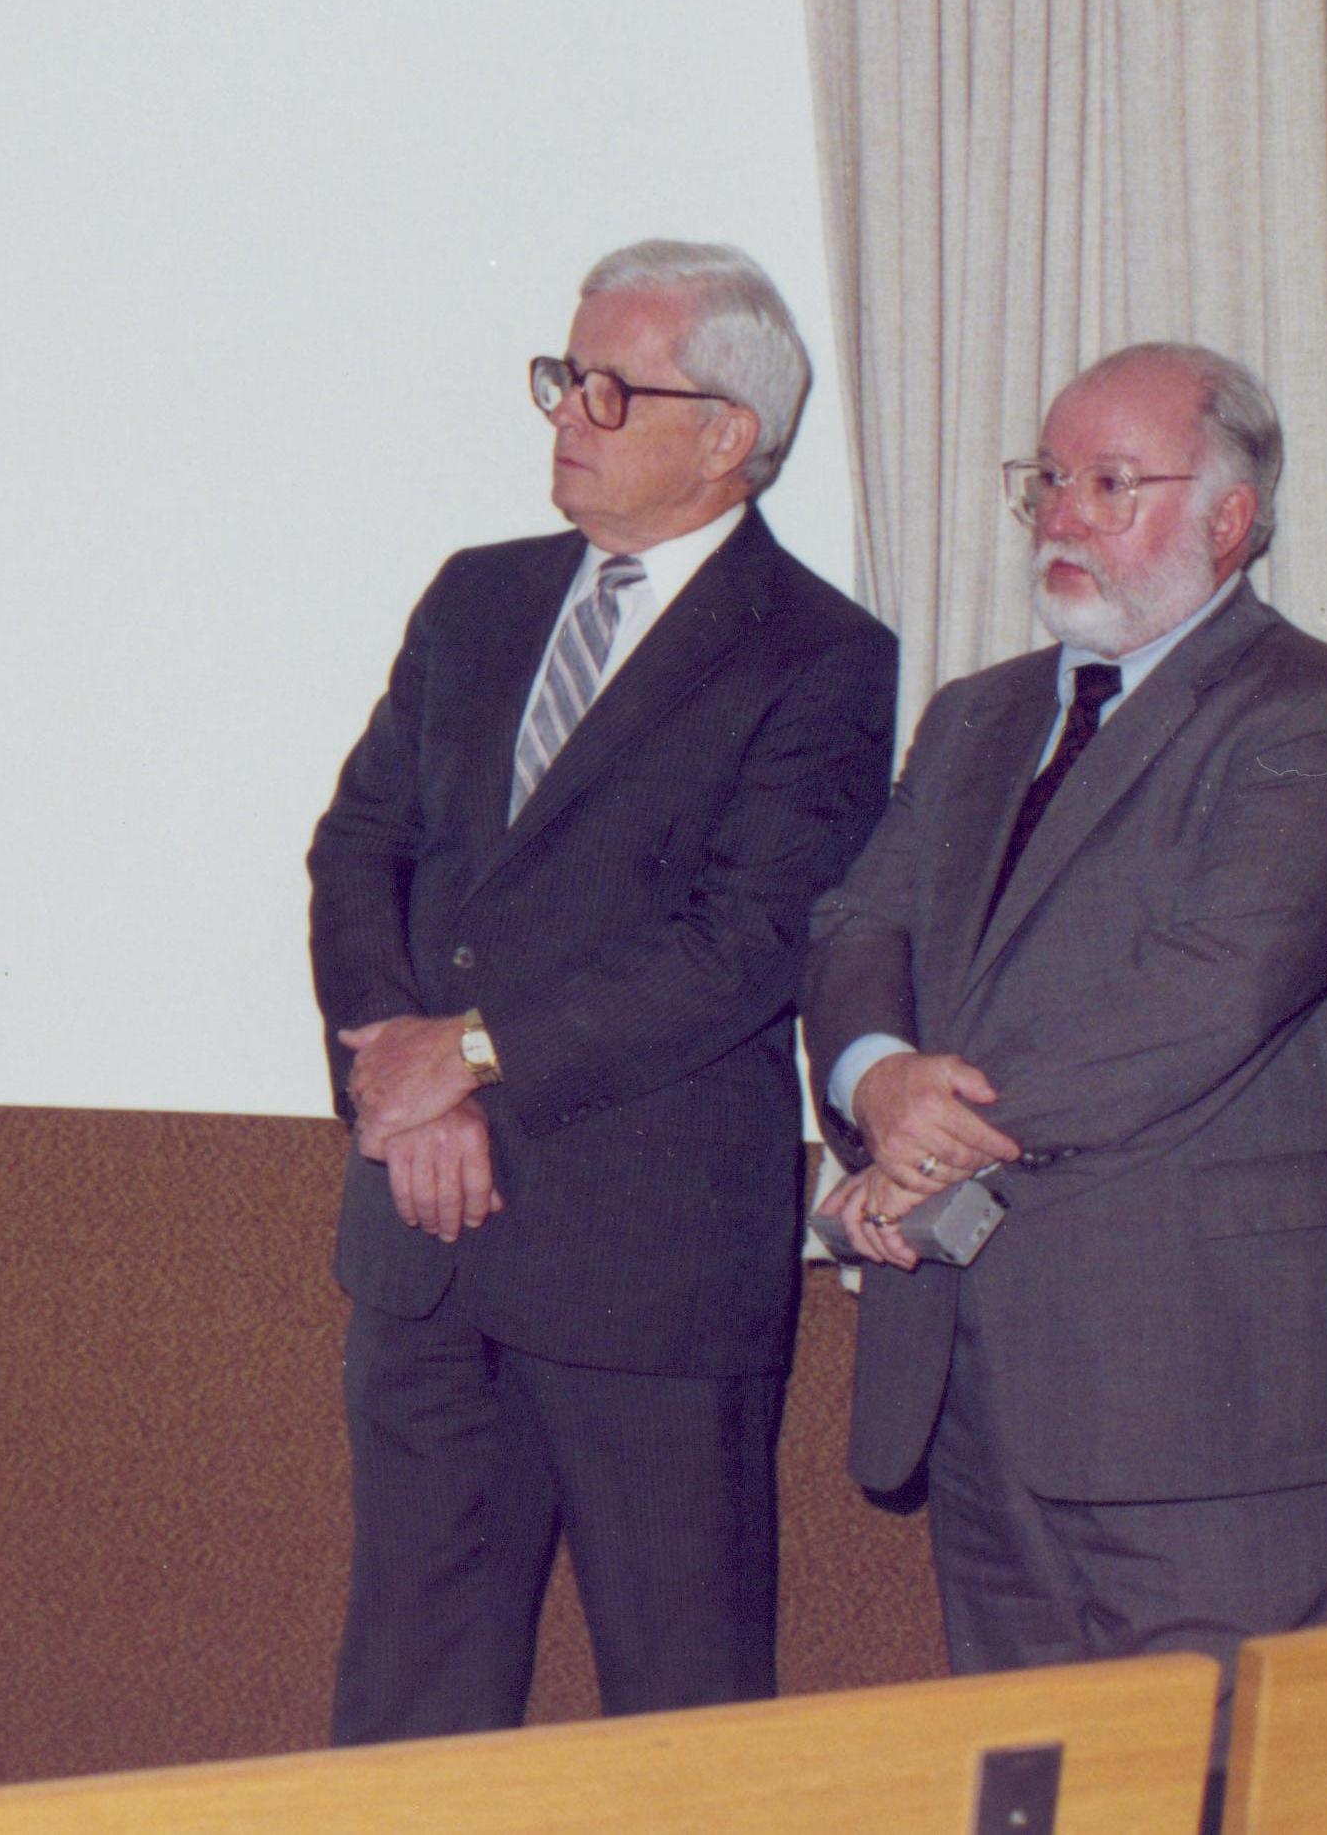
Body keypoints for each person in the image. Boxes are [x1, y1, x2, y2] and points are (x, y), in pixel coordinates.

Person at [305, 239, 895, 1741]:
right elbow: (360, 842)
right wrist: (394, 1071)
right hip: (425, 1245)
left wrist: (477, 1060)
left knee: (679, 1707)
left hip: (647, 1271)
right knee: (404, 1703)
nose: (568, 411)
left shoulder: (819, 656)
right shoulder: (477, 598)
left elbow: (742, 943)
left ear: (728, 438)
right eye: (565, 376)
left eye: (612, 389)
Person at [808, 343, 1327, 1718]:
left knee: (1232, 1786)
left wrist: (923, 1145)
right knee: (1032, 1780)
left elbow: (1211, 986)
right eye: (1047, 480)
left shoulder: (1320, 713)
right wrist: (876, 1084)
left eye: (1110, 484)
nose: (1060, 517)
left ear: (1228, 521)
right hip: (983, 1382)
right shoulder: (972, 718)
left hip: (1211, 1396)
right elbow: (852, 927)